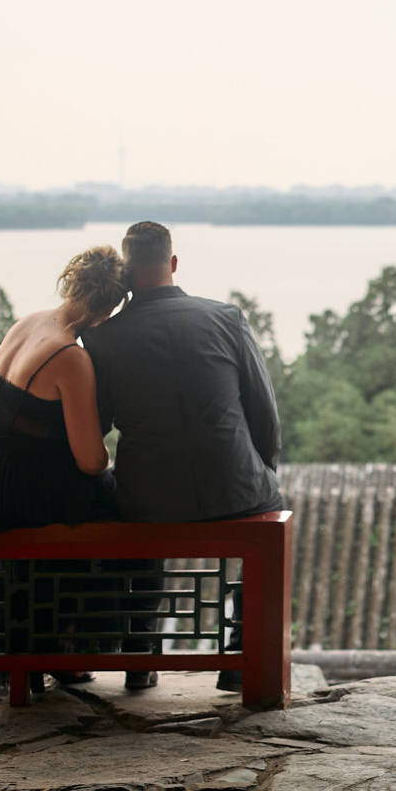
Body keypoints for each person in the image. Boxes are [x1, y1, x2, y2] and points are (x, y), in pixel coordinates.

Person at [83, 221, 284, 691]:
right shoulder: (226, 317)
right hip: (237, 490)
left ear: (126, 273)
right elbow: (264, 414)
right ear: (173, 263)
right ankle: (236, 661)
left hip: (148, 501)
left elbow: (97, 427)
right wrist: (261, 474)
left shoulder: (102, 339)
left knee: (130, 515)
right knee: (264, 510)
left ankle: (139, 659)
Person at [0, 246, 127, 693]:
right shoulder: (71, 357)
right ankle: (76, 651)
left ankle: (47, 647)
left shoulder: (28, 322)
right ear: (109, 308)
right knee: (115, 508)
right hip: (17, 489)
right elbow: (89, 459)